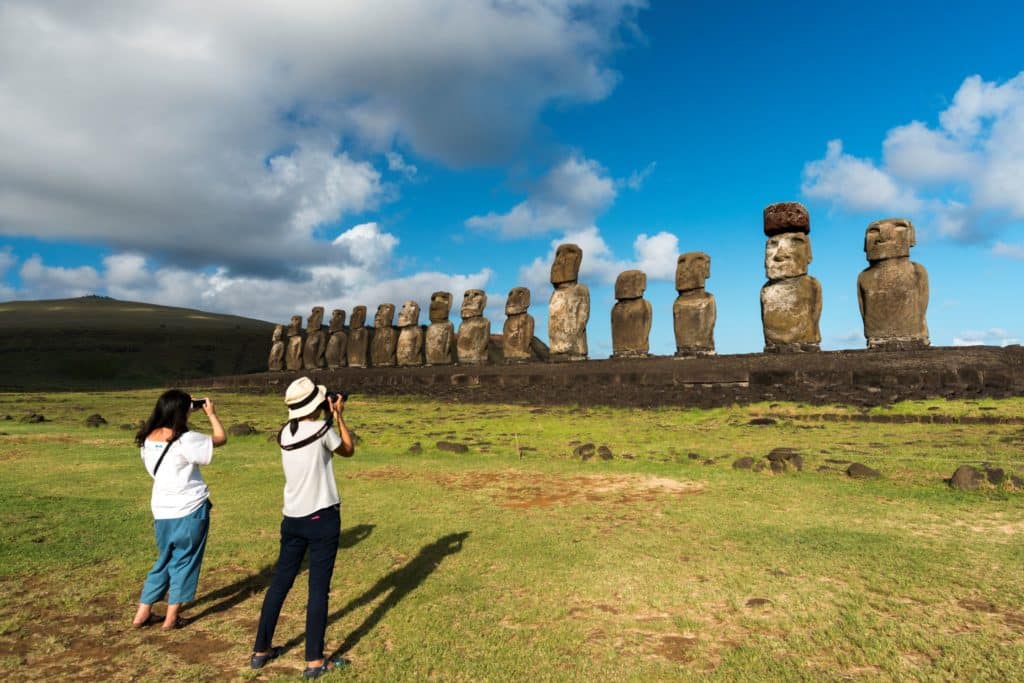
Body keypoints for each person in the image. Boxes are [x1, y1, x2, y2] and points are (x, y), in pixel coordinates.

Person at [251, 377, 355, 679]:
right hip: (322, 517)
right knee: (318, 590)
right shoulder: (323, 431)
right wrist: (338, 415)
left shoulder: (285, 432)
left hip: (292, 518)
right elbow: (347, 449)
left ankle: (260, 650)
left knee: (280, 583)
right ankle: (314, 660)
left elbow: (308, 430)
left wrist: (325, 413)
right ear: (316, 404)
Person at [132, 390, 226, 629]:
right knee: (186, 560)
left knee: (164, 559)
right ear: (181, 412)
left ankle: (143, 611)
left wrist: (186, 409)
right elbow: (220, 438)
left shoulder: (146, 438)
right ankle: (172, 618)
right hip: (190, 508)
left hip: (162, 509)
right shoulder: (186, 439)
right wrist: (211, 414)